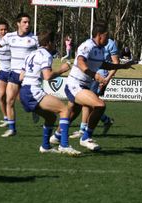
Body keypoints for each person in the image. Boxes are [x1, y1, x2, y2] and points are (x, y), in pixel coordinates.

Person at [50, 21, 134, 151]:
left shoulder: (101, 49)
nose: (109, 38)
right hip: (75, 84)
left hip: (84, 86)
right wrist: (94, 75)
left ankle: (56, 136)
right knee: (100, 105)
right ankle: (85, 137)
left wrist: (122, 66)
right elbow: (80, 62)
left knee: (73, 113)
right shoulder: (87, 45)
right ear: (100, 35)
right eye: (107, 35)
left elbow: (103, 65)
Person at [19, 31, 80, 156]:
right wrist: (62, 70)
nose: (55, 45)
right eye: (54, 42)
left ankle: (45, 146)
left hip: (24, 91)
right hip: (33, 91)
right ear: (48, 43)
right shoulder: (46, 55)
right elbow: (47, 76)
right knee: (65, 110)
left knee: (51, 117)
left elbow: (21, 77)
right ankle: (64, 145)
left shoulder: (30, 55)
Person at [0, 13, 39, 137]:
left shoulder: (34, 39)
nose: (27, 24)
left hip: (28, 76)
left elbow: (43, 53)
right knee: (9, 100)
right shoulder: (9, 36)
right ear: (18, 23)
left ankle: (36, 110)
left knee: (27, 101)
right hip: (14, 74)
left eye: (28, 22)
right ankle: (12, 129)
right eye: (24, 22)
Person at [69, 38, 119, 139]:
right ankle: (105, 120)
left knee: (88, 103)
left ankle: (83, 131)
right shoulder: (91, 42)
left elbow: (115, 63)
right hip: (90, 75)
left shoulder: (111, 43)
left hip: (100, 75)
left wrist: (107, 78)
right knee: (88, 103)